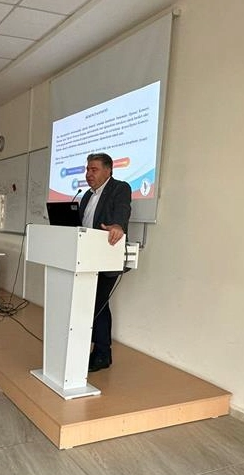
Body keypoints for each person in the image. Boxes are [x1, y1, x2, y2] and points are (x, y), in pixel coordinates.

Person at [79, 153, 131, 372]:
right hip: (84, 258)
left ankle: (102, 353)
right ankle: (88, 347)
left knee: (98, 303)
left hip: (106, 257)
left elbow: (122, 210)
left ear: (108, 170)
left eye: (94, 169)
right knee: (89, 303)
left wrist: (118, 225)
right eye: (87, 169)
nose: (88, 174)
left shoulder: (119, 188)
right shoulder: (86, 196)